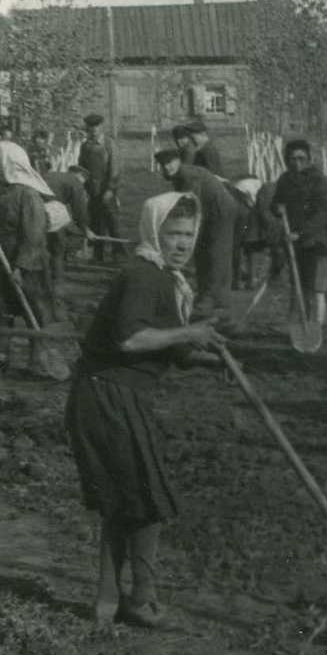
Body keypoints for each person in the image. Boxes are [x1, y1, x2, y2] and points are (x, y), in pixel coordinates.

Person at [65, 191, 226, 628]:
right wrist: (189, 332)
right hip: (106, 396)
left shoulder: (168, 281)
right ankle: (134, 599)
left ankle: (110, 601)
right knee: (142, 499)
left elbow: (172, 353)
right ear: (155, 231)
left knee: (130, 499)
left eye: (190, 235)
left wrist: (214, 357)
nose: (182, 243)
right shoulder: (142, 276)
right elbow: (131, 340)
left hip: (120, 394)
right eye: (173, 233)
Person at [0, 137, 55, 373]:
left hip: (29, 265)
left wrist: (21, 266)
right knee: (4, 310)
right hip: (4, 259)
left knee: (34, 312)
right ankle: (2, 355)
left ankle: (37, 361)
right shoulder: (4, 192)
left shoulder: (28, 195)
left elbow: (34, 234)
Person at [156, 147, 241, 316]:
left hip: (221, 212)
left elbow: (191, 206)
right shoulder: (179, 175)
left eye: (170, 163)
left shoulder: (188, 176)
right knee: (203, 252)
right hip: (209, 212)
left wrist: (184, 233)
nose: (167, 167)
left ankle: (211, 299)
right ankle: (210, 296)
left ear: (178, 161)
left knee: (216, 254)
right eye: (163, 165)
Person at [269, 139, 327, 333]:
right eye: (292, 159)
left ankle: (316, 327)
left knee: (316, 287)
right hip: (294, 242)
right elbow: (275, 204)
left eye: (301, 159)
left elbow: (323, 213)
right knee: (297, 284)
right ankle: (296, 325)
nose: (297, 163)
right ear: (286, 160)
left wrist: (300, 233)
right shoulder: (285, 180)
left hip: (316, 240)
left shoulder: (318, 180)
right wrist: (277, 208)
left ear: (309, 158)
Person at [79, 113, 122, 261]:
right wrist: (84, 189)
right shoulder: (85, 146)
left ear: (101, 127)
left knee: (112, 222)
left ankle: (118, 253)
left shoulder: (109, 144)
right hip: (92, 190)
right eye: (90, 128)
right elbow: (82, 169)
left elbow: (115, 169)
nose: (94, 130)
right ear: (87, 129)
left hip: (107, 189)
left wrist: (110, 189)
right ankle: (98, 254)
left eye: (96, 127)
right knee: (95, 222)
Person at [45, 164, 93, 289]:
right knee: (58, 246)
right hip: (49, 211)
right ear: (80, 176)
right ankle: (57, 280)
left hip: (33, 207)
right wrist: (85, 229)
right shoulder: (75, 182)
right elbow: (80, 211)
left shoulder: (53, 174)